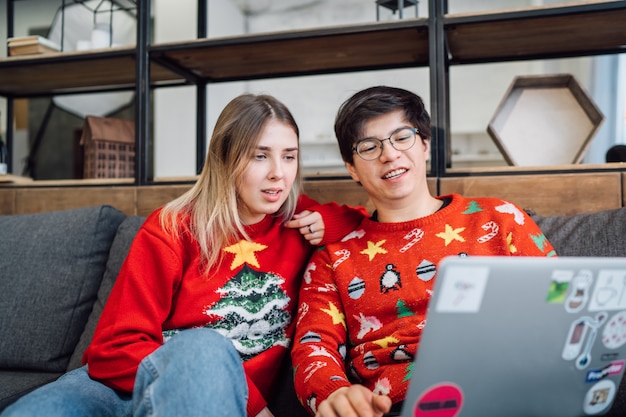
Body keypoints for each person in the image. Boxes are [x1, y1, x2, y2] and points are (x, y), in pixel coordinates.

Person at [1, 93, 367, 417]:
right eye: (259, 156)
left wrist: (327, 221)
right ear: (224, 159)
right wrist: (251, 404)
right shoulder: (174, 227)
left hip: (204, 403)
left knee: (206, 349)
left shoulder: (295, 222)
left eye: (289, 157)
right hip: (115, 392)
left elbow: (371, 221)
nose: (278, 174)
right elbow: (112, 350)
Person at [290, 86, 557, 417]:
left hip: (502, 388)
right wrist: (335, 394)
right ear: (352, 169)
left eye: (402, 137)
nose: (390, 155)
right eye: (369, 147)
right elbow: (313, 347)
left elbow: (560, 302)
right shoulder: (332, 259)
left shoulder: (500, 218)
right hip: (398, 405)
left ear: (425, 144)